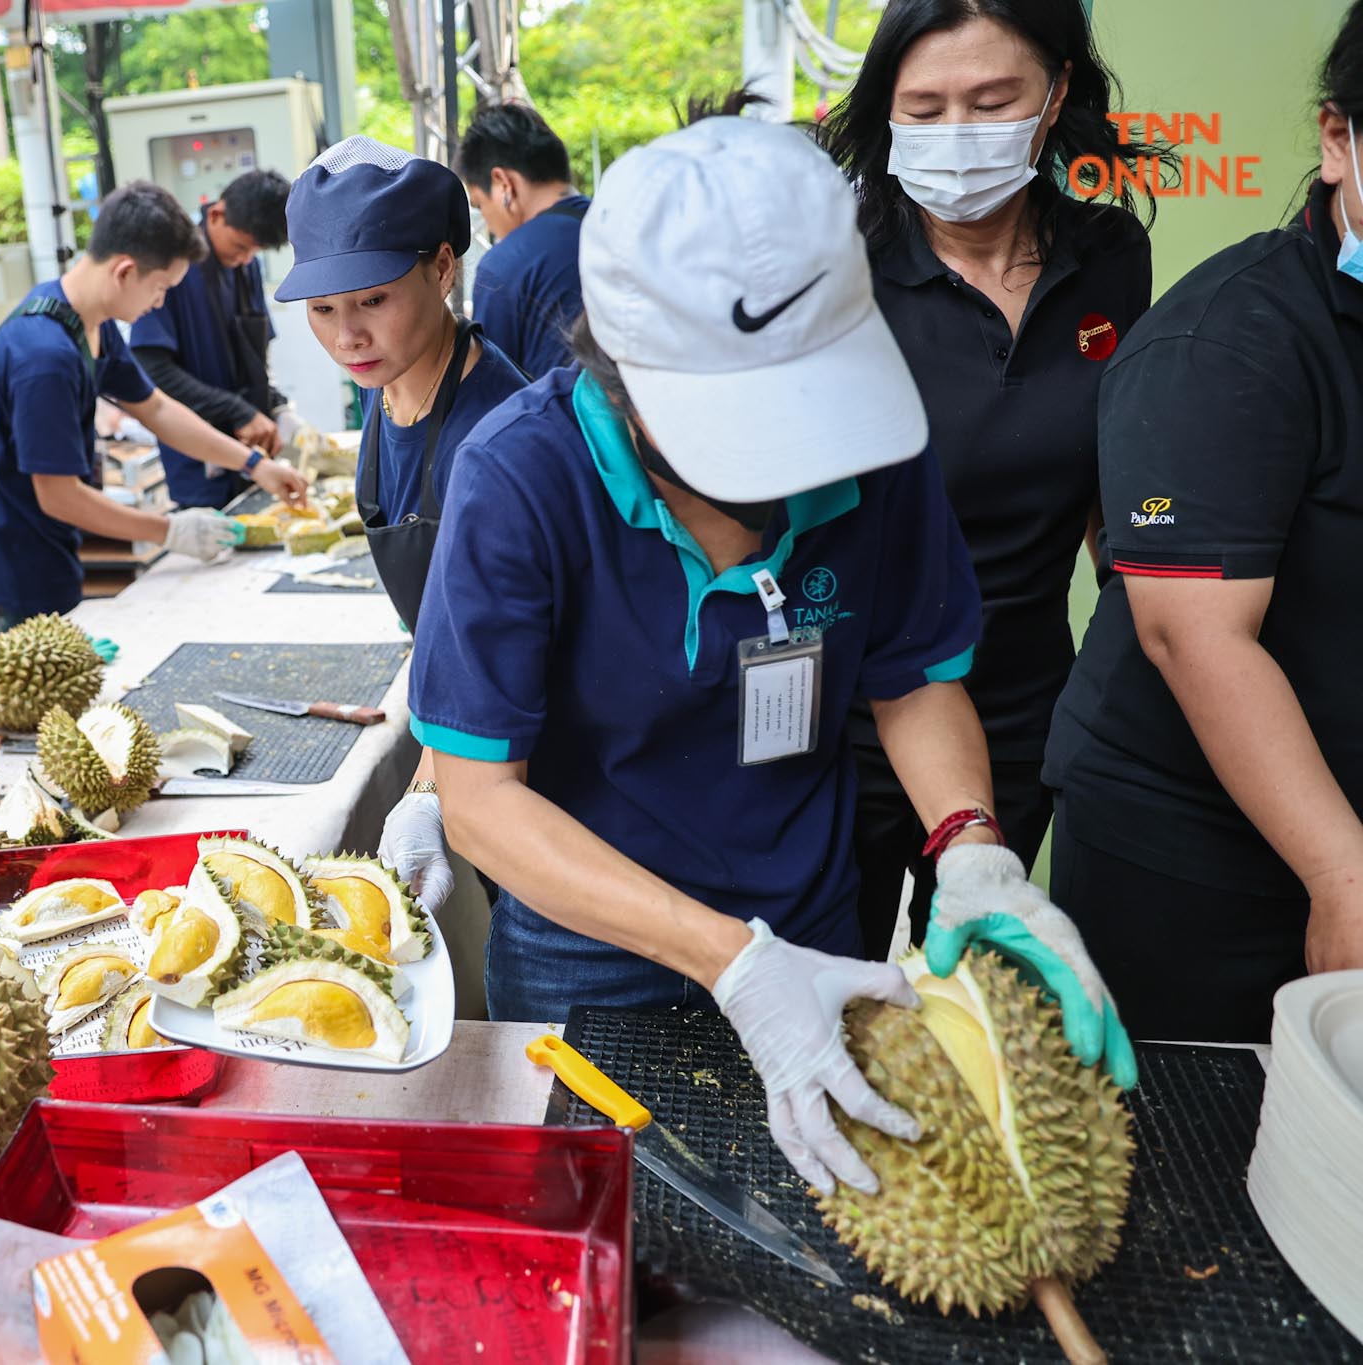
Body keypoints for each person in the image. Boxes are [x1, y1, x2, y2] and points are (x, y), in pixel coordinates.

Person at [406, 117, 1134, 1193]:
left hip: (809, 908)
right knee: (613, 1223)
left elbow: (912, 679)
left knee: (818, 1211)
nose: (780, 473)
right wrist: (731, 963)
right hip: (587, 946)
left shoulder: (875, 449)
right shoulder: (517, 478)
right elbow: (478, 799)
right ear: (618, 367)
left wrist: (971, 850)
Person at [817, 0, 1166, 958]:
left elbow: (1110, 484)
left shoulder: (1109, 258)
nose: (957, 137)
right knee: (827, 996)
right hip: (844, 710)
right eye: (923, 110)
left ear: (1054, 95)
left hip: (1022, 704)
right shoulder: (837, 267)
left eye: (991, 100)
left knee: (981, 991)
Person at [1044, 3, 1363, 1042]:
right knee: (1194, 1149)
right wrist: (1338, 872)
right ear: (1334, 141)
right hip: (1189, 854)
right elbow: (1189, 631)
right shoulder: (1227, 341)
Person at [271, 138, 531, 920]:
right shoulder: (386, 397)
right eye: (323, 309)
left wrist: (423, 787)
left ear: (443, 268)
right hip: (471, 725)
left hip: (536, 767)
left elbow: (515, 652)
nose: (347, 334)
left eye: (373, 300)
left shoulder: (497, 436)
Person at [0, 181, 309, 640]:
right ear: (125, 272)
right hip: (3, 546)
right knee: (36, 678)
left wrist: (255, 464)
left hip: (39, 531)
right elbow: (59, 496)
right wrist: (168, 530)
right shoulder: (44, 357)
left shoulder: (89, 321)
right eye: (162, 287)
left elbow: (156, 408)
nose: (161, 302)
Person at [129, 169, 298, 509]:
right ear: (216, 214)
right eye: (240, 247)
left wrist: (276, 403)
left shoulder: (245, 266)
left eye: (255, 251)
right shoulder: (173, 267)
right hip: (199, 456)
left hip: (253, 450)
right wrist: (234, 410)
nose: (245, 259)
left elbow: (253, 349)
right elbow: (152, 370)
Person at [455, 102, 591, 377]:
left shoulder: (504, 266)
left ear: (503, 183)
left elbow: (493, 392)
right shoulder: (622, 230)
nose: (487, 221)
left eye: (480, 205)